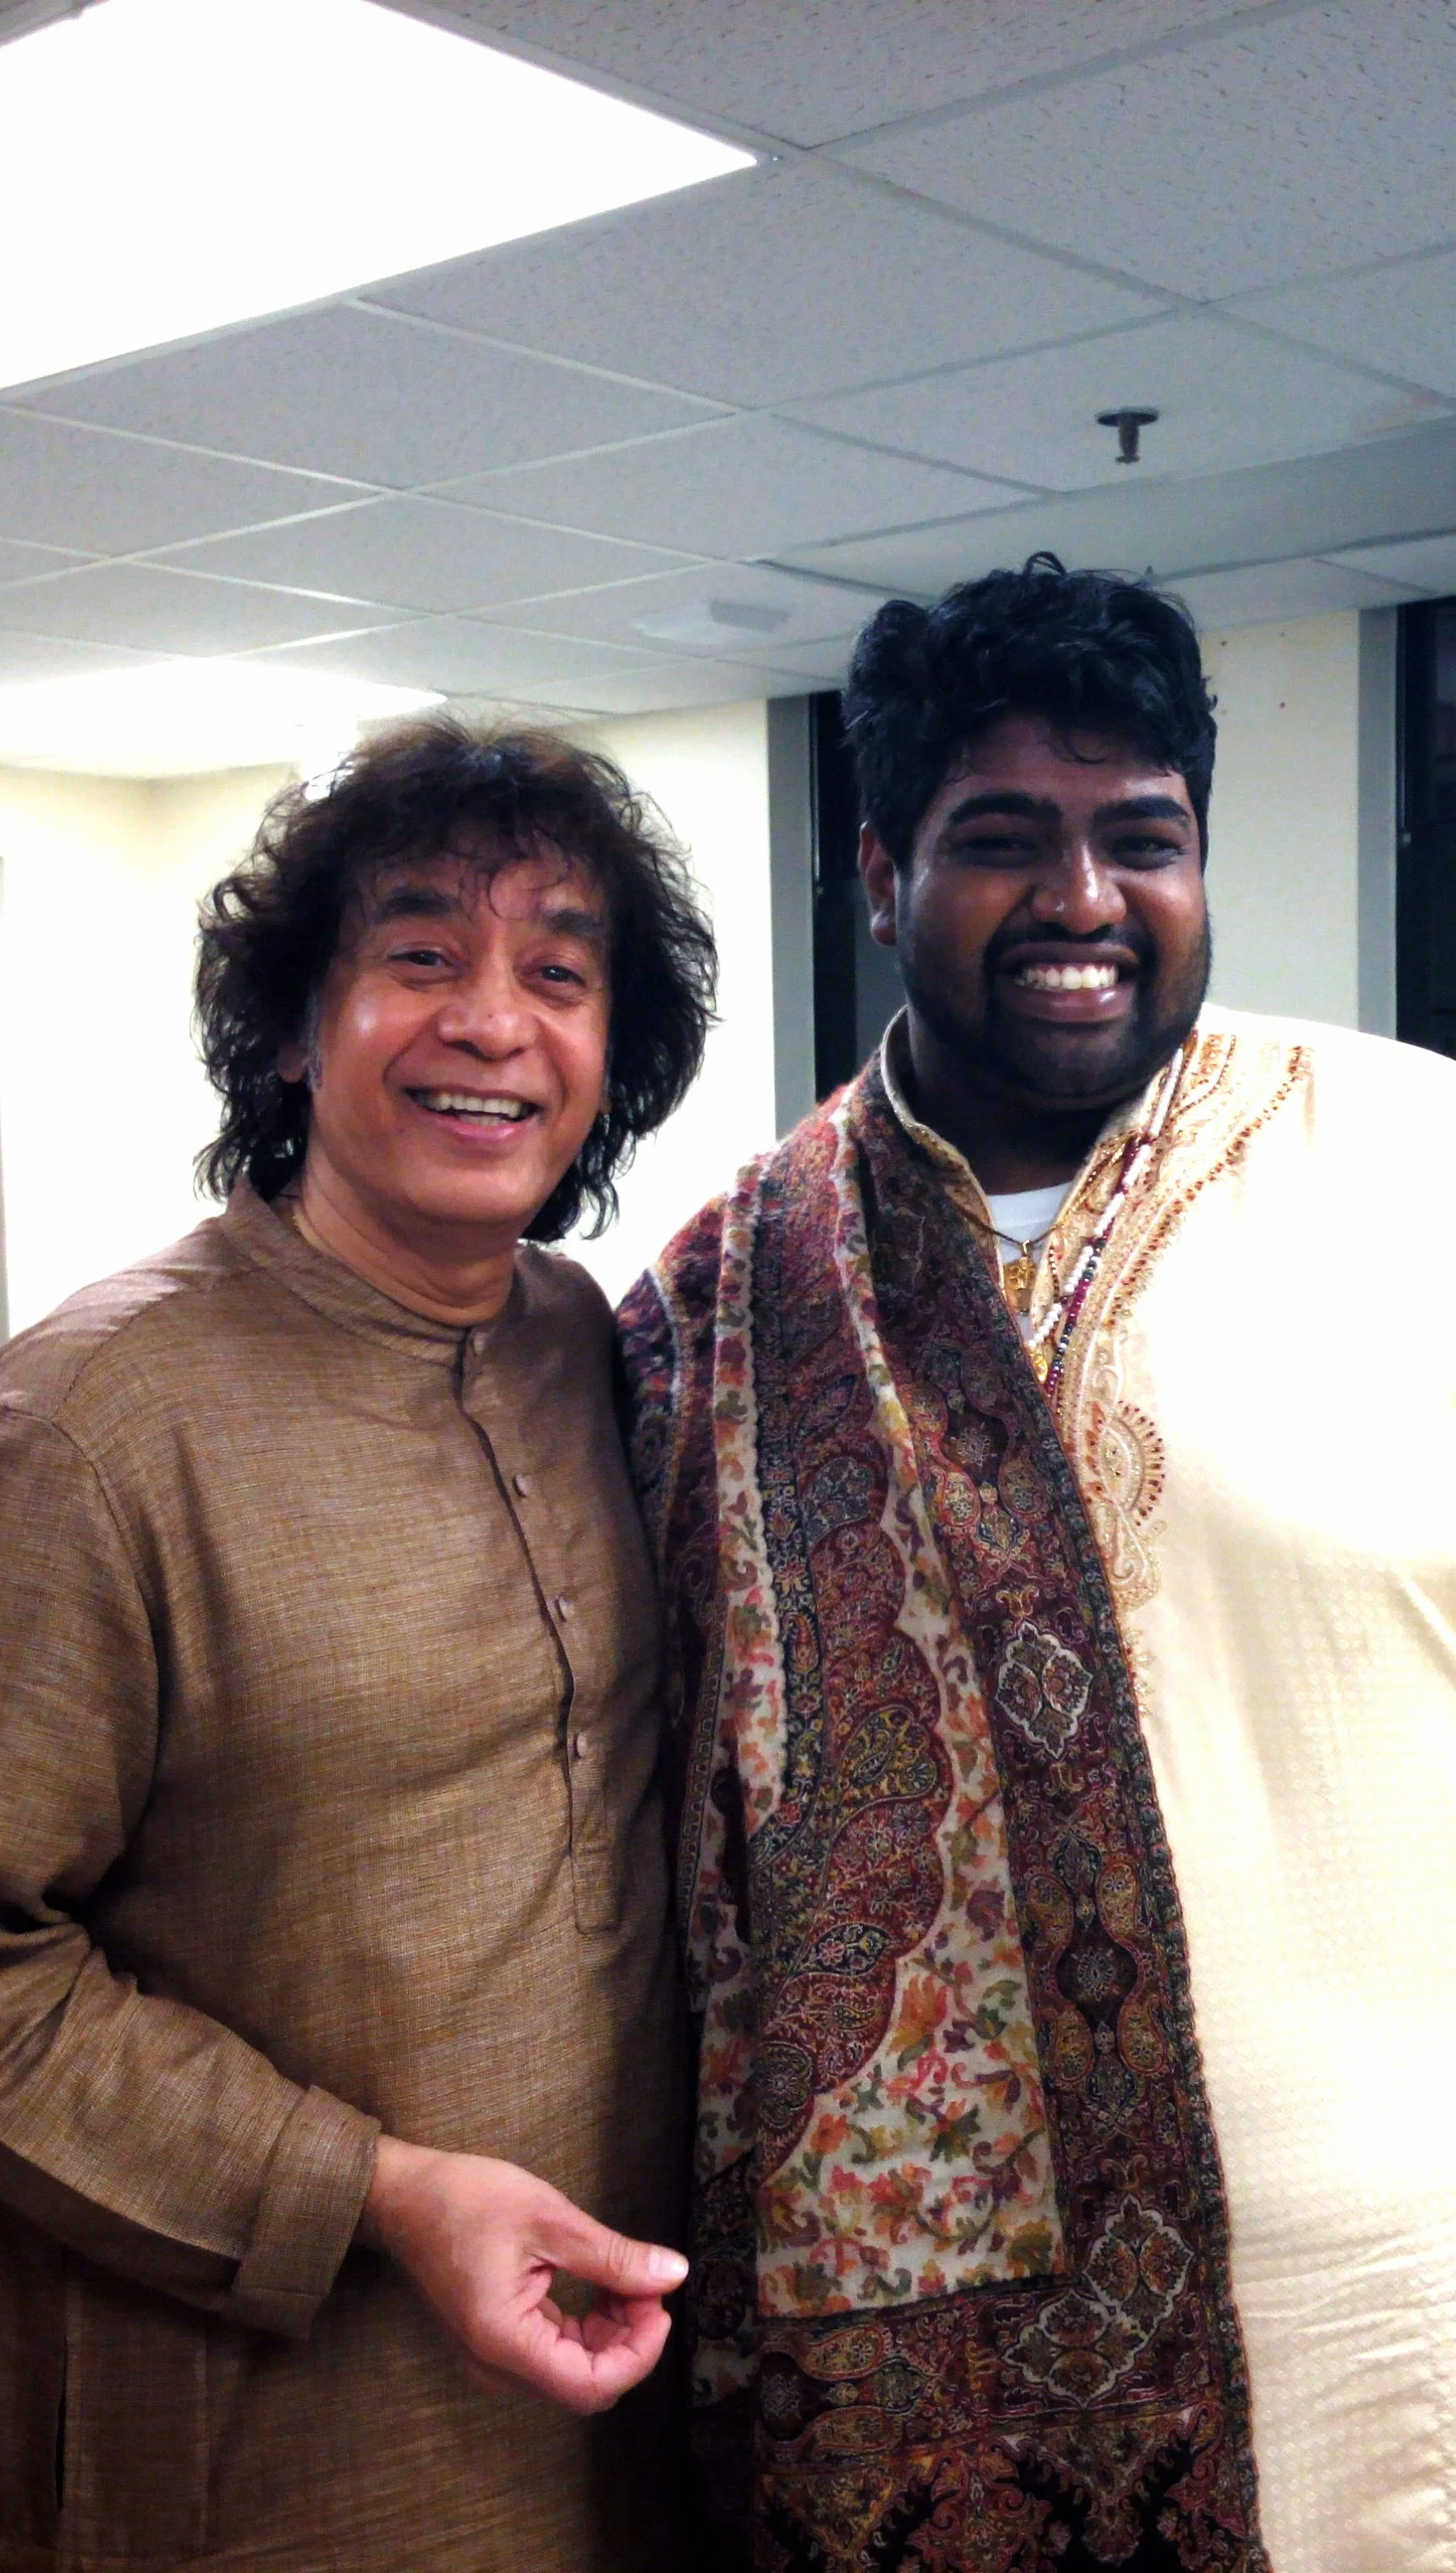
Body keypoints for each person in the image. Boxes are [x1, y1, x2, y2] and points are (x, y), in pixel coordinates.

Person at [620, 555, 1456, 2572]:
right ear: (881, 866)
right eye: (1001, 839)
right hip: (915, 2363)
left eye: (1138, 840)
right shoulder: (724, 1293)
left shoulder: (1414, 1161)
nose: (1080, 902)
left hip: (1389, 2289)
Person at [0, 715, 718, 2573]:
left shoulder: (592, 1349)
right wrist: (372, 2196)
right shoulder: (84, 1428)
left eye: (556, 974)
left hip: (616, 2393)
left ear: (608, 1058)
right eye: (419, 957)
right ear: (294, 1024)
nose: (492, 1022)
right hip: (264, 2434)